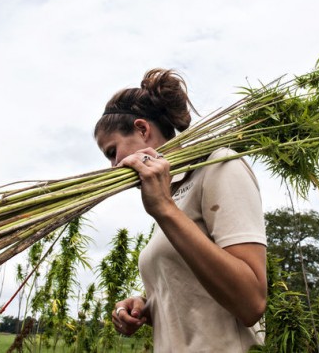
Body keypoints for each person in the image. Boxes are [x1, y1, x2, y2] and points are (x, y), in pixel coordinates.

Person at [94, 69, 267, 352]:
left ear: (142, 129)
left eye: (112, 152)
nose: (114, 166)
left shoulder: (219, 165)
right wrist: (147, 306)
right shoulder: (169, 195)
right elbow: (196, 295)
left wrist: (164, 209)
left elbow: (251, 302)